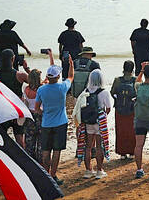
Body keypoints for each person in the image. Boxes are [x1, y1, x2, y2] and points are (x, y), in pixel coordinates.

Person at [36, 56, 75, 186]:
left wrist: (45, 113)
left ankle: (46, 175)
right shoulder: (62, 87)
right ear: (58, 76)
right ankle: (53, 175)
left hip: (46, 123)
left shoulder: (41, 89)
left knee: (46, 151)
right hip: (60, 123)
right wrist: (71, 65)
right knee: (57, 151)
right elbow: (70, 77)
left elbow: (37, 109)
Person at [75, 69, 113, 179]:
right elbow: (108, 108)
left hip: (88, 122)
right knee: (99, 146)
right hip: (99, 121)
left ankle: (88, 170)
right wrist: (102, 116)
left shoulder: (85, 91)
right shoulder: (104, 92)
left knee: (88, 146)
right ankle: (99, 171)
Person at [0, 49, 30, 147]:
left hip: (3, 111)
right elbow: (35, 82)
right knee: (20, 140)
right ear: (13, 59)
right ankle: (23, 160)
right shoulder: (20, 75)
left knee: (2, 140)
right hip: (17, 111)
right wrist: (27, 68)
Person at [110, 59, 137, 159]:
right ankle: (131, 152)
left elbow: (112, 92)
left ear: (123, 68)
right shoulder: (136, 80)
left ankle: (122, 153)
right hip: (132, 110)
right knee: (131, 130)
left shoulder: (117, 80)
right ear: (132, 69)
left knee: (120, 130)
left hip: (119, 109)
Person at [23, 67, 45, 163]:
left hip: (30, 116)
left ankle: (31, 162)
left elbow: (26, 104)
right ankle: (41, 162)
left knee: (29, 142)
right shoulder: (43, 88)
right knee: (41, 142)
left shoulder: (26, 89)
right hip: (41, 116)